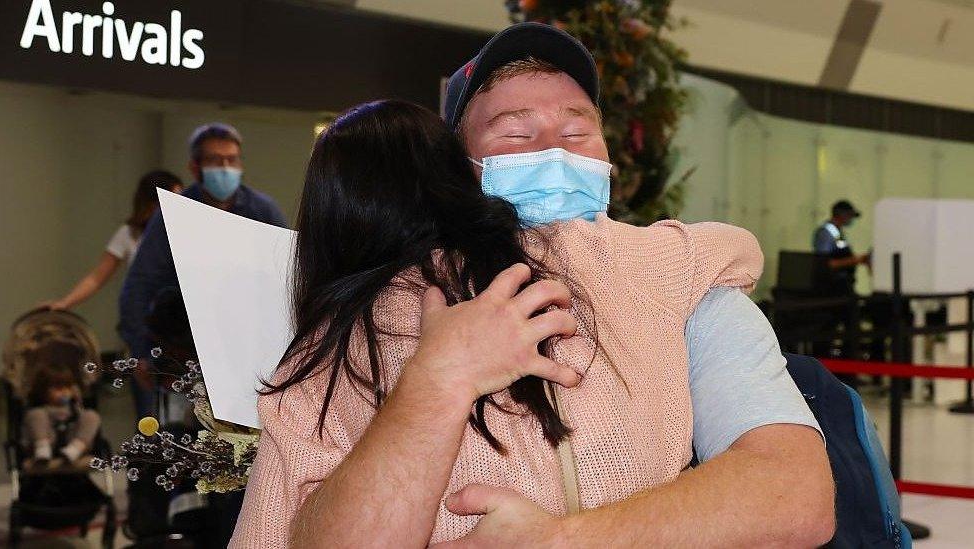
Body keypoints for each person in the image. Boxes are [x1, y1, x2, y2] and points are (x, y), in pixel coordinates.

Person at [232, 26, 832, 547]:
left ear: (607, 159)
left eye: (577, 135)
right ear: (457, 171)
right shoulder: (377, 311)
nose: (552, 151)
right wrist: (439, 380)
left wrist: (560, 540)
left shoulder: (682, 279)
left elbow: (794, 493)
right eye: (514, 136)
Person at [119, 123, 288, 419]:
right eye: (215, 160)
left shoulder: (263, 210)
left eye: (232, 159)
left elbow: (287, 279)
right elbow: (140, 283)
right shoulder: (174, 213)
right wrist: (140, 351)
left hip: (246, 349)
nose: (225, 167)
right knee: (176, 437)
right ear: (194, 167)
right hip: (182, 347)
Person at [41, 170, 183, 311]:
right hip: (143, 317)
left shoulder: (186, 233)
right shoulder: (130, 233)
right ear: (152, 204)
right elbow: (96, 277)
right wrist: (65, 303)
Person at [22, 344, 101, 469]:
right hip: (46, 443)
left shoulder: (74, 408)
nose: (64, 392)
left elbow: (81, 418)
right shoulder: (41, 410)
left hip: (72, 444)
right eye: (58, 388)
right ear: (43, 391)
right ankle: (42, 450)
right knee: (36, 416)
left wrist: (76, 400)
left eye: (68, 388)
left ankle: (75, 448)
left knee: (91, 416)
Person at [813, 199, 871, 295]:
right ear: (842, 215)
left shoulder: (836, 233)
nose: (851, 219)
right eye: (849, 216)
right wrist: (855, 260)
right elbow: (824, 263)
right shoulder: (826, 233)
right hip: (832, 288)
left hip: (842, 284)